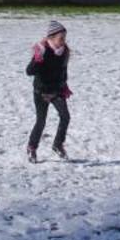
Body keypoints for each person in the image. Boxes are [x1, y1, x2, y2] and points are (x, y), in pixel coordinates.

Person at [25, 20, 72, 163]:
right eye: (61, 38)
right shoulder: (43, 51)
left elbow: (62, 71)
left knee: (65, 116)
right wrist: (38, 59)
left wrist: (64, 85)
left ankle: (57, 144)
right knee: (41, 121)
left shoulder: (64, 52)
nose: (63, 41)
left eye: (64, 38)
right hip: (41, 92)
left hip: (57, 91)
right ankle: (32, 147)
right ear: (51, 38)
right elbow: (29, 71)